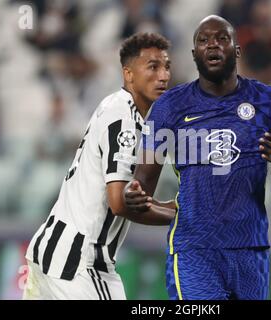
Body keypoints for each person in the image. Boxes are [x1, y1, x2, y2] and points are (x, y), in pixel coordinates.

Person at [123, 15, 271, 300]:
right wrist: (132, 195)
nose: (212, 45)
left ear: (236, 51)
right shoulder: (169, 107)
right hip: (193, 252)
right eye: (203, 40)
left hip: (250, 250)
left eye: (221, 39)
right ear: (194, 54)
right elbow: (141, 188)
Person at [23, 32, 175, 300]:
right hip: (78, 264)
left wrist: (169, 207)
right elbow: (118, 202)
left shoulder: (114, 105)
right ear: (128, 74)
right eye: (153, 66)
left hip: (53, 252)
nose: (163, 76)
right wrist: (181, 217)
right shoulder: (125, 120)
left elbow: (134, 196)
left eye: (167, 67)